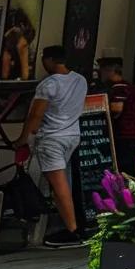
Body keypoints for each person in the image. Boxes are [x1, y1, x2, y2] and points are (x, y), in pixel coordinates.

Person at [11, 46, 88, 248]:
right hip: (72, 136)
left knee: (58, 184)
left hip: (52, 138)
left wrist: (23, 138)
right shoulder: (80, 80)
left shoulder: (49, 84)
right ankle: (69, 225)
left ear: (50, 60)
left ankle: (72, 230)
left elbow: (35, 115)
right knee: (60, 183)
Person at [103, 58, 135, 171]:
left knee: (121, 169)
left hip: (121, 136)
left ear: (110, 71)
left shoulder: (118, 89)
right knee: (132, 171)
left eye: (102, 71)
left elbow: (117, 109)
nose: (101, 74)